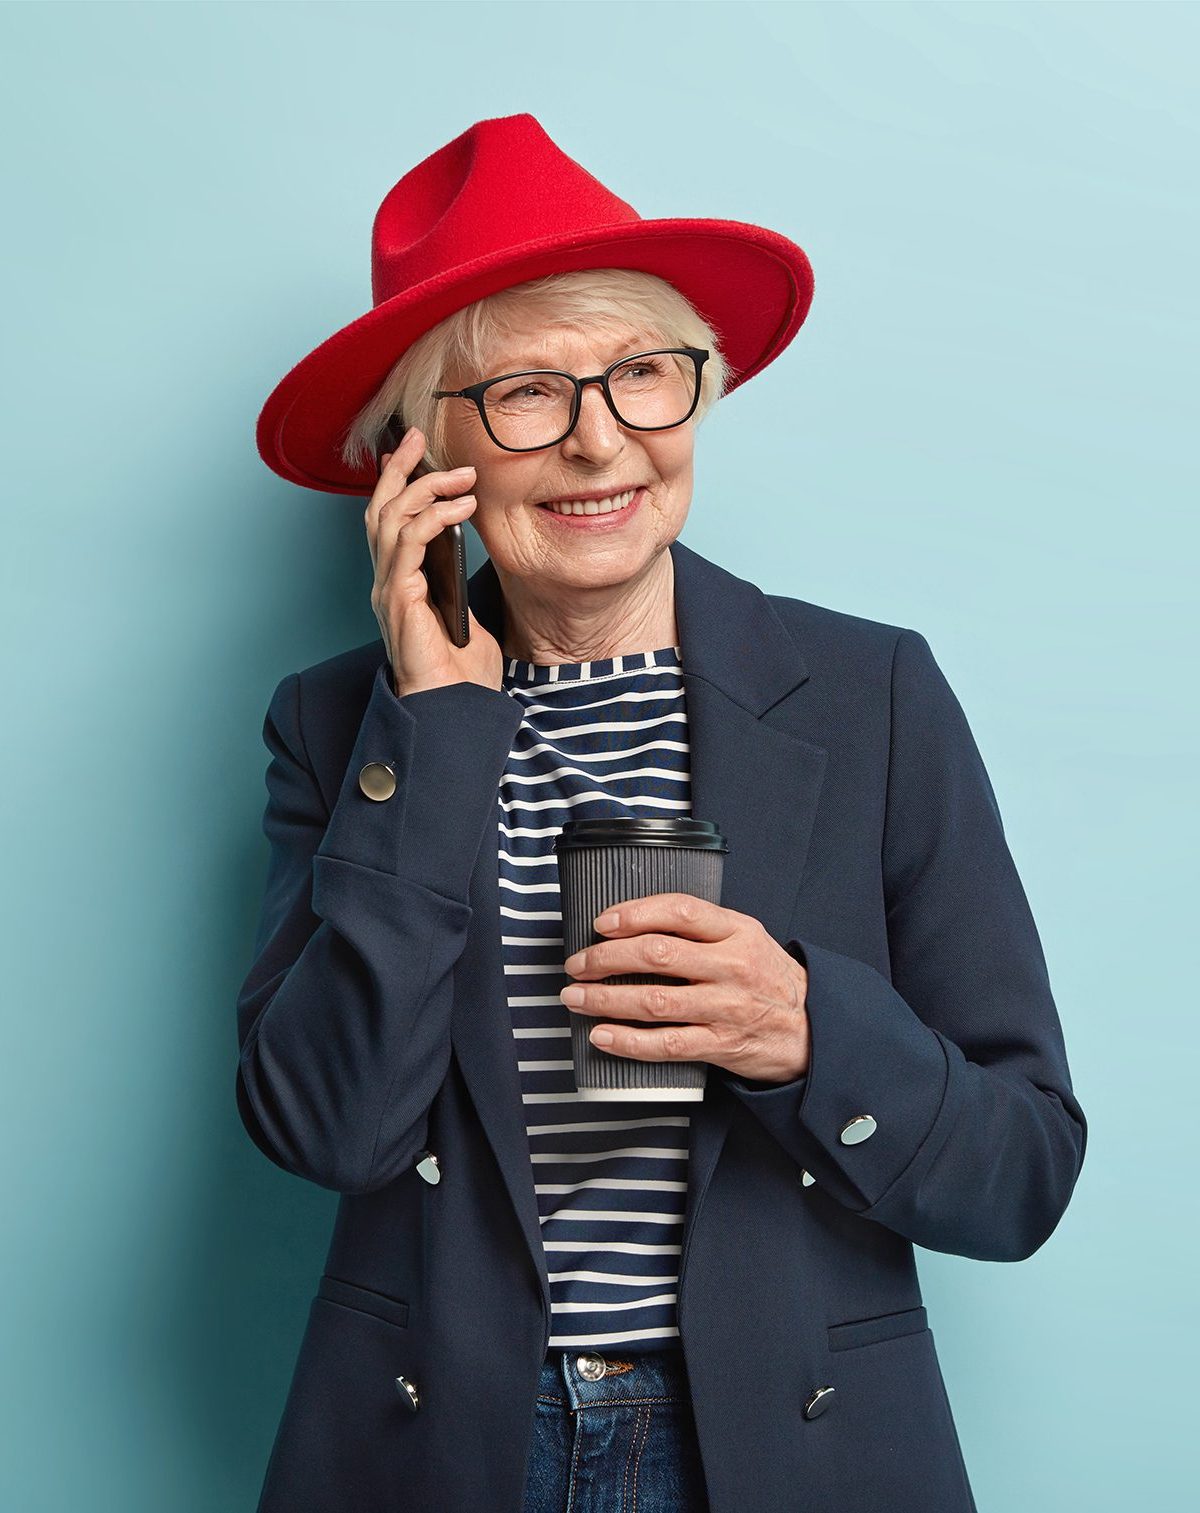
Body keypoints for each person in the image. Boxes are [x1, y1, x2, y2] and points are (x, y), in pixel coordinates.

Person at [239, 113, 1087, 1513]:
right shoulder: (342, 727)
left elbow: (1024, 1169)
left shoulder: (871, 692)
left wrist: (806, 1030)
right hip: (447, 1451)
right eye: (523, 392)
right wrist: (438, 724)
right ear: (416, 456)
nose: (598, 444)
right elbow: (330, 1129)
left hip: (784, 1447)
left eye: (645, 375)